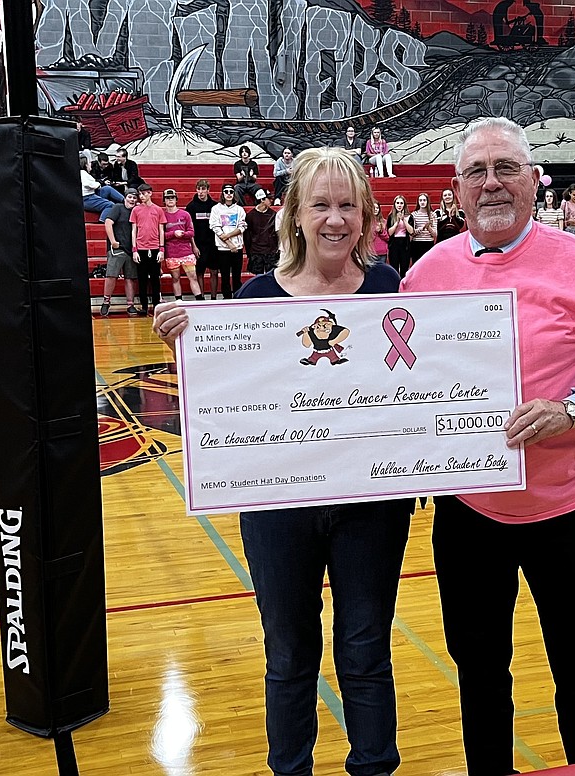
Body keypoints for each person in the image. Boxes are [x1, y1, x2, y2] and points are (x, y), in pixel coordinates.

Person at [399, 116, 575, 776]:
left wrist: (573, 408)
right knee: (480, 670)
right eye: (478, 172)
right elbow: (395, 379)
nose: (492, 184)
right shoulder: (424, 276)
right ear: (455, 190)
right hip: (469, 513)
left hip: (566, 507)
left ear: (535, 182)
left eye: (507, 169)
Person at [151, 147, 412, 776]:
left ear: (367, 216)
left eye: (348, 205)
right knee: (290, 654)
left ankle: (374, 768)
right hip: (278, 509)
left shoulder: (390, 291)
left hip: (370, 506)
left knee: (365, 650)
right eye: (320, 204)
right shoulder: (252, 298)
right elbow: (229, 406)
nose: (334, 218)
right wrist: (185, 345)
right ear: (294, 214)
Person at [100, 187, 141, 316]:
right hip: (117, 249)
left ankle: (130, 304)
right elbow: (108, 222)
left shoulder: (136, 211)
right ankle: (106, 302)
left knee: (131, 278)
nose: (132, 200)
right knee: (111, 275)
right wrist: (113, 241)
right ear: (125, 197)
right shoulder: (118, 208)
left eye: (134, 197)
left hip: (131, 249)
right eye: (130, 197)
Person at [162, 188, 204, 300]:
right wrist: (173, 234)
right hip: (171, 252)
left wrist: (183, 234)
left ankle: (199, 299)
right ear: (164, 200)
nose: (170, 200)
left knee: (193, 276)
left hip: (186, 251)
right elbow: (161, 235)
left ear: (176, 200)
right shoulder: (162, 216)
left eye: (172, 198)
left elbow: (191, 232)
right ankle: (179, 300)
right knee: (175, 278)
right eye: (167, 198)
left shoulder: (185, 214)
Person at [130, 183, 165, 314]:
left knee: (155, 279)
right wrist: (134, 250)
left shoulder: (158, 210)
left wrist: (161, 249)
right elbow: (134, 230)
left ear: (150, 193)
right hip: (141, 248)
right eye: (140, 194)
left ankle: (156, 305)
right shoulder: (136, 210)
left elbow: (161, 230)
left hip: (155, 247)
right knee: (142, 279)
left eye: (143, 193)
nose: (141, 196)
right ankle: (144, 306)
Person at [209, 184, 246, 297]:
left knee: (236, 276)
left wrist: (228, 236)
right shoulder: (216, 209)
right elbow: (215, 226)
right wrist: (229, 243)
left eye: (231, 191)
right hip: (222, 248)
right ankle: (227, 298)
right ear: (223, 194)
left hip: (237, 248)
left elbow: (242, 226)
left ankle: (237, 297)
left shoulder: (239, 209)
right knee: (224, 276)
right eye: (226, 191)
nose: (229, 194)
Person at [185, 179, 219, 299]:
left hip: (214, 245)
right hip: (199, 245)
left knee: (214, 271)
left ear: (208, 190)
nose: (200, 192)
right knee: (199, 272)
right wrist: (193, 246)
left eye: (203, 189)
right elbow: (189, 228)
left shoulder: (215, 206)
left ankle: (214, 298)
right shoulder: (191, 207)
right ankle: (202, 298)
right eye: (198, 189)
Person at [243, 188, 280, 275]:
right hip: (256, 251)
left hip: (271, 251)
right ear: (262, 199)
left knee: (271, 276)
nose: (271, 200)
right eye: (269, 198)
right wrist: (249, 253)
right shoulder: (250, 216)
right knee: (257, 277)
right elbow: (247, 235)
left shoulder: (273, 214)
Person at [81, 156, 125, 222]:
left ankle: (125, 200)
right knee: (110, 205)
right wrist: (100, 183)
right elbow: (93, 185)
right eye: (89, 163)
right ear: (85, 165)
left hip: (92, 194)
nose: (91, 164)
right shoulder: (82, 174)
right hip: (87, 198)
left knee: (107, 189)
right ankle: (102, 220)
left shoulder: (86, 173)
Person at [407, 193, 437, 269]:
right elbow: (411, 233)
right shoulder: (414, 214)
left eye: (424, 200)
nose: (422, 202)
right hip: (416, 243)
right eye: (420, 200)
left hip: (428, 243)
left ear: (427, 202)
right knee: (416, 266)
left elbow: (435, 234)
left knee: (428, 266)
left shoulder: (432, 215)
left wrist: (428, 228)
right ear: (418, 202)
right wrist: (421, 229)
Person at [386, 195, 410, 275]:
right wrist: (397, 222)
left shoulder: (409, 216)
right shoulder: (390, 217)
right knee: (394, 267)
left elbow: (411, 231)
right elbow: (389, 233)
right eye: (398, 203)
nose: (399, 205)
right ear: (394, 204)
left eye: (401, 203)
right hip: (394, 244)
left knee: (404, 267)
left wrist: (404, 220)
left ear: (404, 205)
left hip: (404, 244)